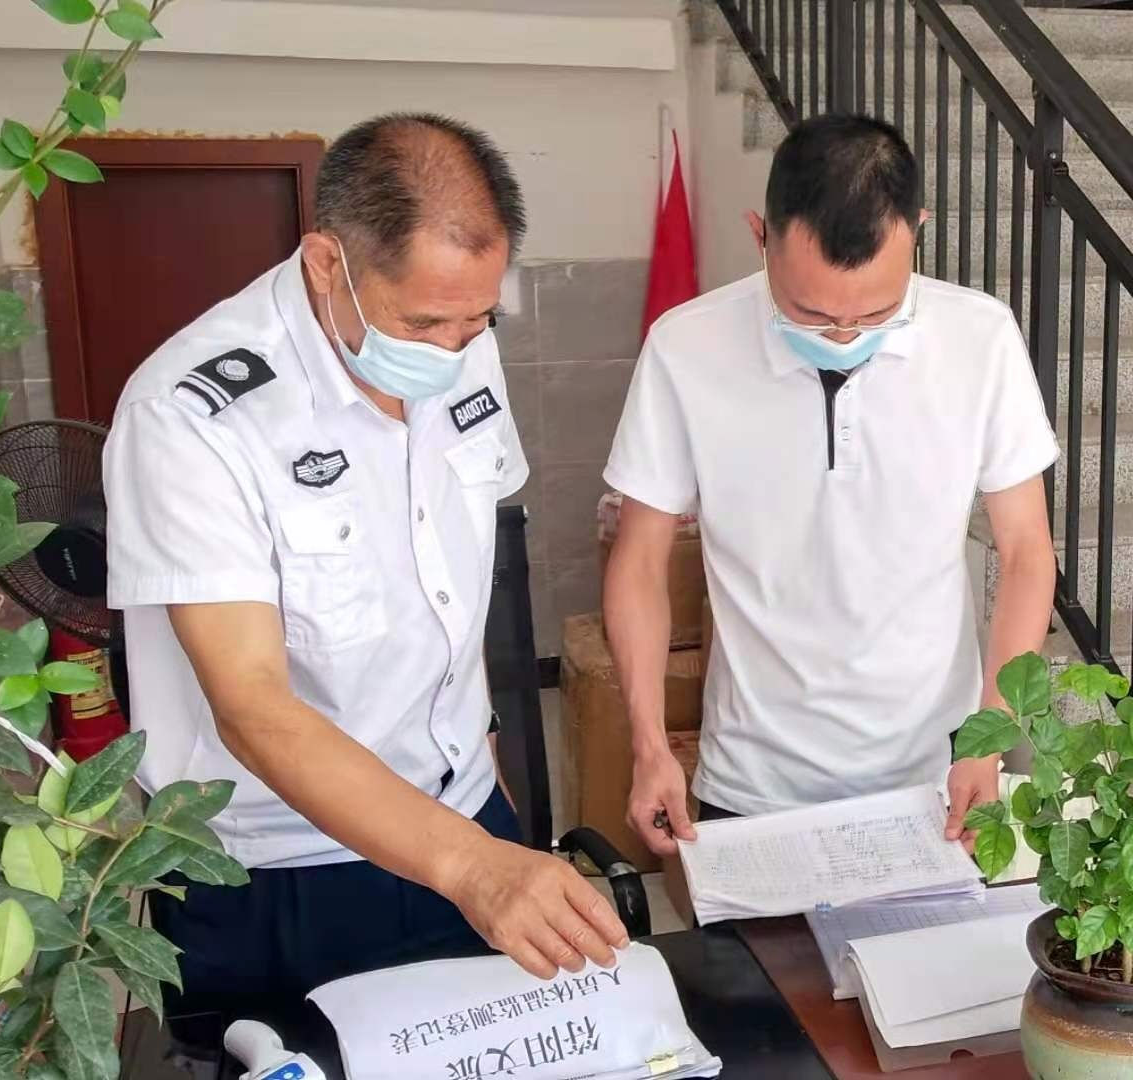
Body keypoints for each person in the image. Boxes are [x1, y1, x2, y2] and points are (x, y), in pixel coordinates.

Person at [103, 112, 626, 1043]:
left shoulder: (457, 339)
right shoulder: (190, 417)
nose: (452, 348)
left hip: (465, 816)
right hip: (279, 868)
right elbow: (252, 706)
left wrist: (486, 778)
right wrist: (472, 867)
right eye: (421, 323)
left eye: (477, 319)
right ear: (324, 263)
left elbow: (452, 587)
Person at [603, 114, 1060, 857]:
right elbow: (640, 559)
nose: (844, 336)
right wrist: (649, 743)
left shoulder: (981, 338)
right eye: (810, 313)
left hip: (936, 766)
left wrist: (990, 736)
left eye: (877, 313)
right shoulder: (684, 347)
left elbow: (1027, 553)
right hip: (752, 777)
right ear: (760, 236)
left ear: (917, 231)